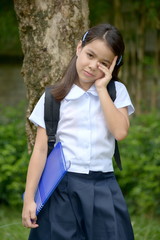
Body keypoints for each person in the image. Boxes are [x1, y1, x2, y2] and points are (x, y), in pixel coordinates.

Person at [22, 23, 135, 240]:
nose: (93, 66)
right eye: (90, 55)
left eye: (103, 63)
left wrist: (102, 88)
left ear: (113, 66)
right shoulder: (53, 98)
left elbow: (120, 132)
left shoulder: (115, 92)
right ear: (78, 48)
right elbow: (40, 150)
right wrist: (29, 199)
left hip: (103, 185)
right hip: (62, 189)